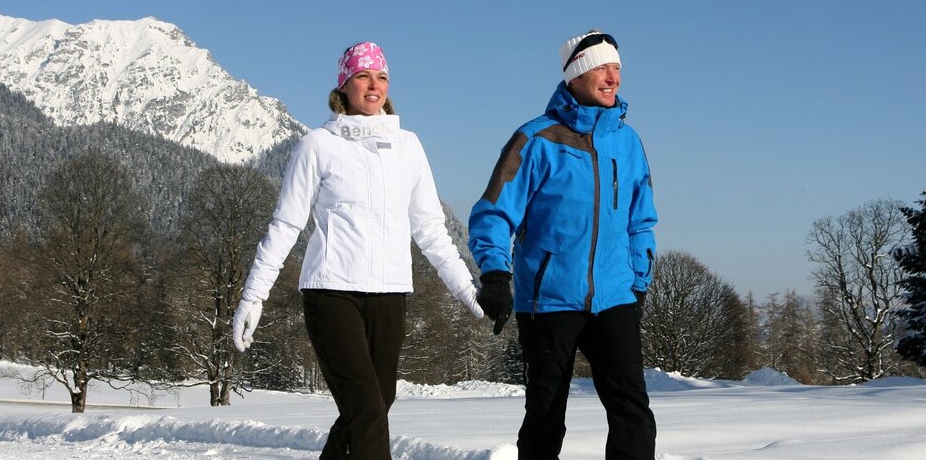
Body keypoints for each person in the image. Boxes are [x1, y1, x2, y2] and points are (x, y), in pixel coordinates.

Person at [232, 41, 483, 460]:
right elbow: (286, 225)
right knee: (367, 410)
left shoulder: (408, 146)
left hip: (390, 294)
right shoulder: (318, 145)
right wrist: (253, 295)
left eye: (381, 77)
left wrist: (465, 289)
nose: (374, 85)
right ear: (343, 86)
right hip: (332, 293)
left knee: (374, 406)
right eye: (363, 76)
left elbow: (430, 230)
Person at [469, 30, 658, 459]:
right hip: (548, 300)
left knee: (632, 410)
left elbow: (641, 219)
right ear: (575, 76)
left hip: (615, 295)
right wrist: (495, 273)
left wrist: (639, 283)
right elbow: (494, 211)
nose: (612, 78)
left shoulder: (628, 142)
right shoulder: (536, 139)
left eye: (616, 68)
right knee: (546, 412)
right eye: (601, 68)